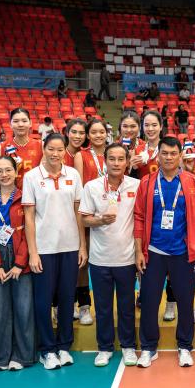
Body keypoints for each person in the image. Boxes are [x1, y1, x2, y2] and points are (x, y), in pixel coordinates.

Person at [133, 136, 195, 368]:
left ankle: (185, 346)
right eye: (164, 153)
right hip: (154, 251)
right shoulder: (147, 182)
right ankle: (149, 347)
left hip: (183, 252)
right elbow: (140, 217)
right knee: (150, 301)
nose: (169, 157)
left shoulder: (193, 182)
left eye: (173, 153)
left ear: (180, 155)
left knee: (185, 301)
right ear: (158, 155)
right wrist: (139, 251)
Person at [22, 133, 87, 370]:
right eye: (51, 149)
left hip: (70, 247)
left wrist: (82, 245)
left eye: (60, 150)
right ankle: (47, 350)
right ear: (43, 148)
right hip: (45, 248)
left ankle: (63, 347)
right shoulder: (31, 177)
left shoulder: (73, 174)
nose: (55, 154)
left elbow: (79, 212)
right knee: (43, 301)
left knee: (67, 298)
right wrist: (33, 252)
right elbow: (29, 217)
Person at [79, 143, 140, 367]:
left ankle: (128, 346)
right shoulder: (92, 186)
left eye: (120, 159)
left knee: (126, 306)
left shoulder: (137, 185)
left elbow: (141, 220)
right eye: (111, 159)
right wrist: (100, 220)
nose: (116, 163)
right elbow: (84, 219)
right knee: (103, 307)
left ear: (127, 161)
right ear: (105, 161)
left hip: (126, 258)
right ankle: (104, 348)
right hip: (100, 258)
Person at [0, 155, 35, 371]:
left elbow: (30, 231)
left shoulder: (25, 198)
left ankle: (23, 356)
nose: (4, 175)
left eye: (8, 170)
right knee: (0, 309)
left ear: (16, 172)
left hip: (22, 258)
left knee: (24, 308)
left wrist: (20, 263)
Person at [73, 118, 109, 324]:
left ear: (106, 134)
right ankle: (84, 305)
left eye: (101, 132)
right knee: (83, 260)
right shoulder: (82, 155)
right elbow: (80, 188)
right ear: (88, 135)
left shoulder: (114, 151)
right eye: (93, 132)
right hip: (89, 211)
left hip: (111, 212)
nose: (97, 135)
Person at [0, 108, 43, 189]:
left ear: (30, 123)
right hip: (10, 198)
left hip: (35, 196)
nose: (20, 124)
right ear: (10, 124)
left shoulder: (41, 145)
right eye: (15, 121)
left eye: (24, 121)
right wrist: (10, 172)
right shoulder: (0, 148)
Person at [131, 110, 163, 179]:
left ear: (161, 127)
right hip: (143, 189)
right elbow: (133, 180)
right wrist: (134, 168)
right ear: (142, 127)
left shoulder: (167, 150)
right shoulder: (137, 150)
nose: (150, 129)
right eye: (146, 125)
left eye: (154, 125)